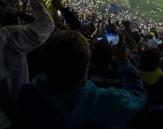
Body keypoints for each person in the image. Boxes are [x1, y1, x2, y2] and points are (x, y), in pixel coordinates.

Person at [17, 29, 147, 128]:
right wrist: (123, 60)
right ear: (86, 67)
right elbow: (138, 96)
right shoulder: (105, 103)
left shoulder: (27, 93)